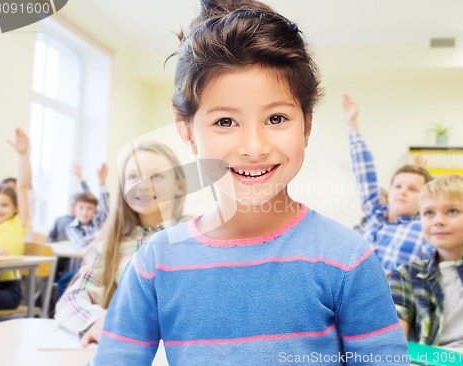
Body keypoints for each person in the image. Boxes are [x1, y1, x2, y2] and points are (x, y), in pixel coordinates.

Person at [89, 1, 408, 364]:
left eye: (276, 118)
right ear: (188, 133)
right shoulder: (157, 262)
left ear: (307, 126)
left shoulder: (348, 259)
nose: (254, 147)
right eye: (225, 122)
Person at [55, 141, 187, 346]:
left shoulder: (196, 234)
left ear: (179, 186)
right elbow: (71, 298)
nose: (142, 184)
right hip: (132, 349)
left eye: (156, 176)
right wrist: (96, 320)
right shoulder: (111, 244)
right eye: (133, 176)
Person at [390, 174, 463, 347]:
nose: (438, 221)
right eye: (429, 213)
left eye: (452, 211)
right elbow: (395, 346)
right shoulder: (406, 275)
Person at [343, 94, 434, 274]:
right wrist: (353, 125)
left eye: (413, 189)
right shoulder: (375, 212)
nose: (403, 192)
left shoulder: (424, 229)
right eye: (398, 186)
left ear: (425, 199)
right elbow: (365, 172)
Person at [0, 128, 31, 309]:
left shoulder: (17, 224)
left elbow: (22, 187)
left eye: (4, 205)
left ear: (15, 208)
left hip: (9, 290)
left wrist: (23, 156)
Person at [65, 163, 110, 250]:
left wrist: (102, 183)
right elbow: (80, 244)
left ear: (95, 210)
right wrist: (102, 233)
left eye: (89, 209)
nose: (84, 212)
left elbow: (104, 205)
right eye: (81, 208)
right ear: (75, 209)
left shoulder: (98, 221)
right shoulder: (71, 227)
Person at [48, 164, 91, 243]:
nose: (74, 208)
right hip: (60, 253)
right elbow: (51, 238)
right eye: (72, 205)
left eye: (77, 206)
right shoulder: (60, 220)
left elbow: (89, 197)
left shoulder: (82, 221)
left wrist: (81, 178)